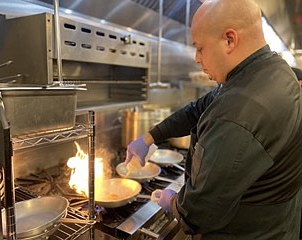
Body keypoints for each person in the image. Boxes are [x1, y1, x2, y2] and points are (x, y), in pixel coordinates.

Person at [124, 0, 302, 239]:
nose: (197, 58)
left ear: (229, 40)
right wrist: (149, 137)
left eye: (200, 48)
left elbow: (199, 213)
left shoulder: (239, 111)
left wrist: (173, 202)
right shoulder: (267, 72)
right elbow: (197, 109)